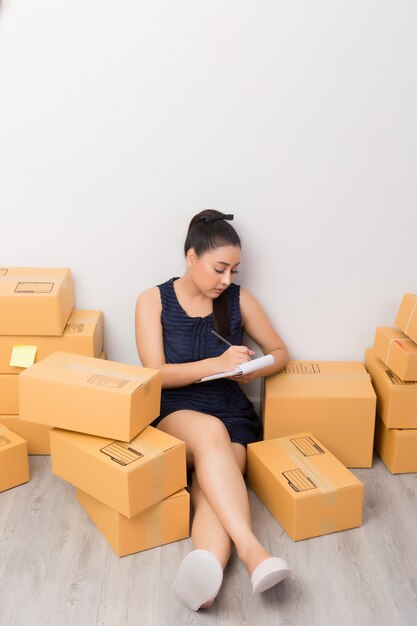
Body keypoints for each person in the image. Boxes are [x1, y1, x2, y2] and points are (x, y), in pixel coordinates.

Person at [135, 209, 291, 611]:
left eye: (234, 271)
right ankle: (253, 551)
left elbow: (280, 353)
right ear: (191, 258)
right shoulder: (152, 300)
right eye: (220, 268)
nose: (227, 280)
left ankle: (207, 572)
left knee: (210, 493)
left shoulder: (239, 300)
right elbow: (154, 373)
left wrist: (248, 370)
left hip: (232, 414)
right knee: (209, 436)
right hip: (175, 411)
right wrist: (215, 364)